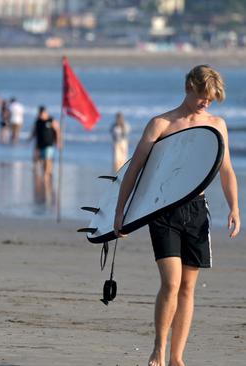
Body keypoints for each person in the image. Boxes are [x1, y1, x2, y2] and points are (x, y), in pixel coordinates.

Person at [113, 65, 240, 366]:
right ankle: (159, 348)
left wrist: (234, 206)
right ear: (188, 87)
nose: (205, 103)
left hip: (197, 211)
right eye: (202, 96)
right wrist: (120, 211)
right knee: (171, 282)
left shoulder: (216, 125)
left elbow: (226, 170)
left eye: (210, 99)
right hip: (163, 209)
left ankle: (177, 357)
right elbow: (135, 168)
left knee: (188, 287)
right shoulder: (161, 124)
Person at [28, 105, 60, 204]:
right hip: (40, 144)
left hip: (49, 144)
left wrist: (58, 141)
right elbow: (34, 132)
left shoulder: (51, 120)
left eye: (42, 113)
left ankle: (46, 175)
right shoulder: (38, 121)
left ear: (45, 113)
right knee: (42, 161)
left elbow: (58, 130)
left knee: (47, 159)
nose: (41, 115)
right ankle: (47, 173)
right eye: (39, 113)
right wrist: (30, 138)